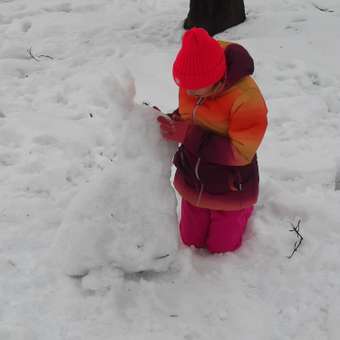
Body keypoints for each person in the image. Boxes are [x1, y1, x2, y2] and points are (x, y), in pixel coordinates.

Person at [157, 28, 268, 253]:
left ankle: (243, 211)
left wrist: (188, 135)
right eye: (184, 87)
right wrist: (171, 121)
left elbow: (240, 152)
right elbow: (192, 115)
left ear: (217, 78)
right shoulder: (192, 85)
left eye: (195, 89)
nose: (188, 92)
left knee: (222, 248)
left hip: (229, 186)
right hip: (195, 179)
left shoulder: (246, 99)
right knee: (189, 241)